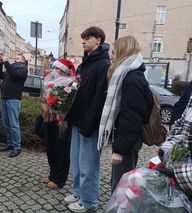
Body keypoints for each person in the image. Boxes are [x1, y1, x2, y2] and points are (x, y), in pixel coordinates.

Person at [98, 36, 153, 193]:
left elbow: (132, 116)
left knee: (120, 186)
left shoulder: (131, 78)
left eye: (114, 52)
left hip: (128, 143)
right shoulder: (129, 75)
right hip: (127, 140)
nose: (111, 56)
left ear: (123, 52)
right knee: (119, 183)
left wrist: (120, 150)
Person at [64, 26, 111, 212]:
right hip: (77, 121)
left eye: (87, 38)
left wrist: (89, 124)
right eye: (82, 38)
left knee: (88, 166)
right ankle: (78, 193)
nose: (83, 41)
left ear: (98, 40)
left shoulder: (103, 65)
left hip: (90, 125)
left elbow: (99, 99)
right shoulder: (85, 64)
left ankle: (89, 202)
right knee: (75, 162)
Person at [41, 59, 76, 189]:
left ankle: (60, 179)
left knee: (61, 149)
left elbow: (68, 102)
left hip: (62, 121)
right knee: (51, 148)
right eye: (54, 68)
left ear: (64, 71)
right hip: (49, 118)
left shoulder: (71, 83)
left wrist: (58, 106)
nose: (54, 71)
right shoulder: (50, 82)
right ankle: (52, 174)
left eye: (57, 69)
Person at [0, 54, 28, 157]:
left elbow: (15, 75)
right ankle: (10, 143)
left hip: (13, 100)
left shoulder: (23, 70)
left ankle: (17, 147)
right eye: (15, 58)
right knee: (6, 124)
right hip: (4, 98)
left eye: (17, 58)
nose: (15, 59)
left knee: (14, 125)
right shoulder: (11, 69)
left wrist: (6, 62)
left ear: (22, 61)